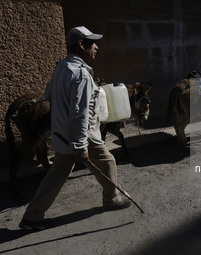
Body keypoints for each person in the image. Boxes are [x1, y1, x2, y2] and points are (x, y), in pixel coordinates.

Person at [19, 26, 131, 230]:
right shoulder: (81, 74)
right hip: (81, 136)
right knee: (108, 161)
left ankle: (32, 217)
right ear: (81, 45)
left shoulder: (61, 68)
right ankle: (112, 199)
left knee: (57, 174)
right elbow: (80, 113)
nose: (96, 47)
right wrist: (81, 146)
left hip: (62, 135)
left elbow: (49, 95)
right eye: (92, 43)